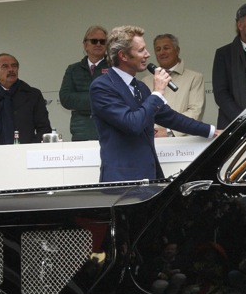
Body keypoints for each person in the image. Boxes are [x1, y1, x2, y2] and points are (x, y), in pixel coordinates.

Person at [91, 25, 215, 182]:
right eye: (141, 50)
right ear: (123, 56)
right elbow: (132, 123)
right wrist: (157, 92)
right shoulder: (102, 86)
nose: (148, 55)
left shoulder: (140, 87)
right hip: (122, 181)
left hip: (151, 176)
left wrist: (212, 131)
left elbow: (170, 118)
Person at [0, 53, 52, 145]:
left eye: (14, 66)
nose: (11, 69)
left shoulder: (33, 95)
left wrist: (30, 148)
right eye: (5, 67)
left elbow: (44, 128)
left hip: (26, 152)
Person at [140, 33, 207, 131]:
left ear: (177, 50)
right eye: (158, 49)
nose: (162, 52)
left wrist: (168, 131)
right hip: (153, 139)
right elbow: (143, 113)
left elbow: (195, 112)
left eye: (166, 48)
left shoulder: (195, 78)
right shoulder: (145, 81)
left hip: (182, 139)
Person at [57, 25, 109, 141]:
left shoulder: (115, 68)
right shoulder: (73, 69)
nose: (98, 44)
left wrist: (80, 104)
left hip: (108, 131)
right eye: (94, 41)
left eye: (103, 41)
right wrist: (98, 100)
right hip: (81, 132)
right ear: (85, 45)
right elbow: (66, 98)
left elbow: (116, 98)